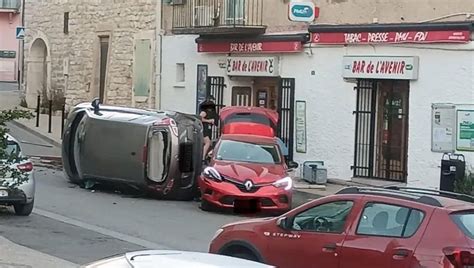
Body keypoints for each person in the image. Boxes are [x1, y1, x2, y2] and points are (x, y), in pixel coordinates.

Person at [199, 96, 217, 164]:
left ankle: (204, 156)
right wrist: (209, 121)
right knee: (208, 142)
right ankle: (202, 158)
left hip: (207, 129)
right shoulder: (204, 111)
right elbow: (200, 118)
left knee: (208, 143)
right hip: (204, 129)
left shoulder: (210, 112)